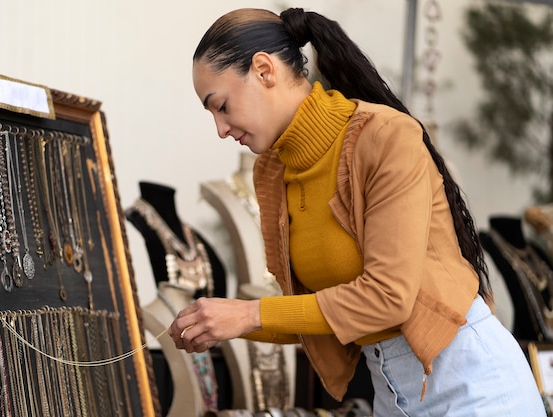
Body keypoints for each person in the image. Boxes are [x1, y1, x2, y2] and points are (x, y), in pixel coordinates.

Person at [168, 7, 546, 416]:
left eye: (221, 106)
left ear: (264, 70)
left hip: (475, 389)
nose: (220, 129)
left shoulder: (384, 137)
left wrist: (247, 314)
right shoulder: (273, 171)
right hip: (393, 399)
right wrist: (222, 323)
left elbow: (388, 297)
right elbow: (319, 311)